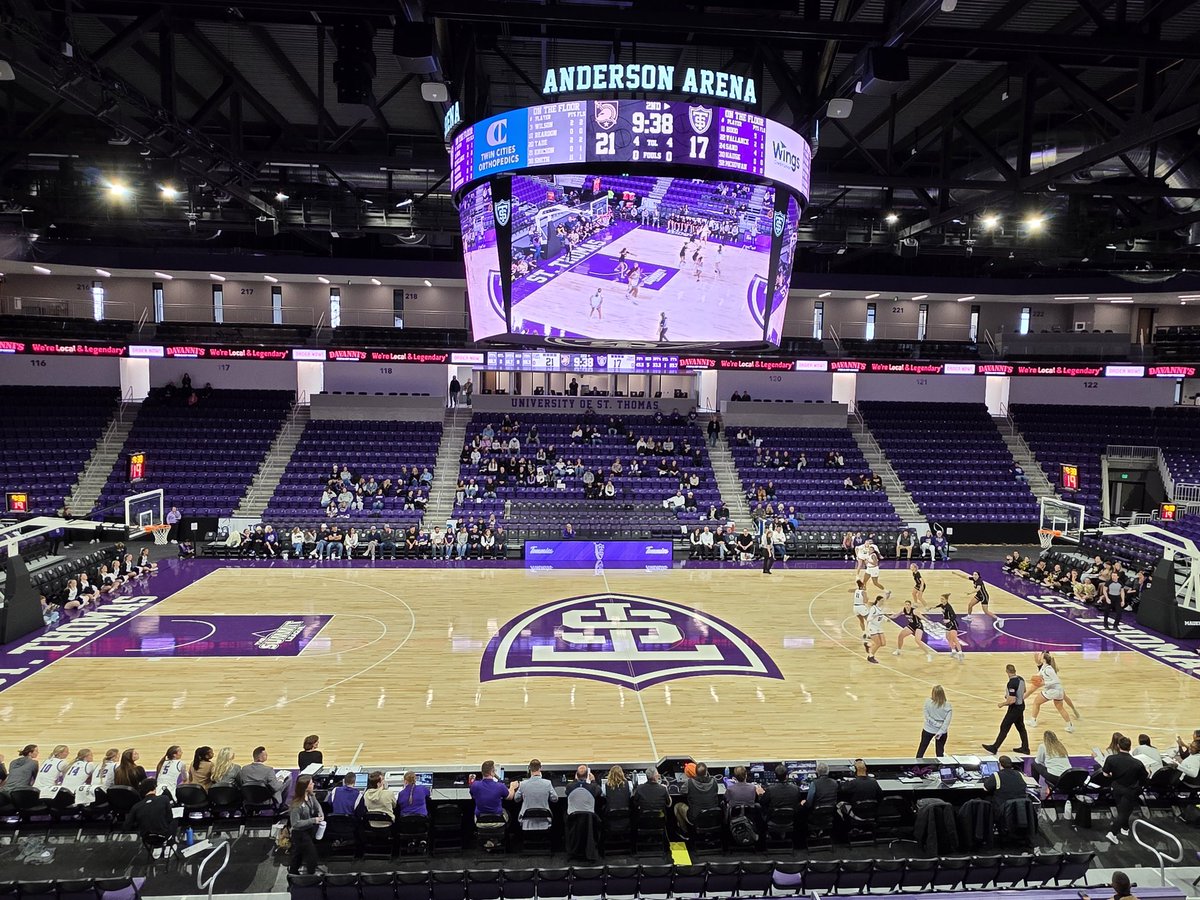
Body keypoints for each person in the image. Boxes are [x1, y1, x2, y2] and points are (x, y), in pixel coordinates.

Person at [1103, 736, 1147, 842]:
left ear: (1118, 746)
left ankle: (1125, 828)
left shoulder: (1111, 759)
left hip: (1116, 788)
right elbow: (1144, 777)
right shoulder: (1137, 763)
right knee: (1125, 812)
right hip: (1130, 790)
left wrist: (1112, 776)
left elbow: (1105, 773)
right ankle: (1113, 833)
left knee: (1122, 808)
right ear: (1130, 747)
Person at [983, 664, 1030, 754]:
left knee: (1004, 726)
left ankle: (995, 747)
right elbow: (1024, 691)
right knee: (1021, 727)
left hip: (1015, 708)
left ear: (1007, 671)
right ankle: (1025, 748)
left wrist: (1002, 704)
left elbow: (1011, 700)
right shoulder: (1021, 678)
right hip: (1021, 705)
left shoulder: (1011, 683)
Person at [1028, 650, 1075, 732]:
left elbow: (1057, 681)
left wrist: (1044, 683)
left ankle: (1033, 721)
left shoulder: (1049, 669)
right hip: (1058, 691)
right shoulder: (1044, 667)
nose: (1040, 657)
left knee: (1036, 702)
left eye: (1042, 656)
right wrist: (1032, 679)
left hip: (1053, 690)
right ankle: (1070, 726)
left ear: (1044, 659)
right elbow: (1039, 674)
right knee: (1060, 708)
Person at [287, 776, 324, 875]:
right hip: (300, 834)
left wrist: (320, 813)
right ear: (305, 787)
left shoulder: (310, 795)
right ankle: (311, 876)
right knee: (312, 856)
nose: (313, 785)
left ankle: (293, 873)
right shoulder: (297, 805)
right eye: (311, 783)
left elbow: (317, 806)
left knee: (298, 855)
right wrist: (313, 820)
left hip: (308, 830)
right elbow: (295, 823)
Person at [674, 762, 719, 833]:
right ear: (707, 772)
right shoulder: (714, 782)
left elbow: (682, 792)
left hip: (695, 818)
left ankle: (684, 832)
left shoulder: (689, 783)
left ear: (696, 772)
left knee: (677, 806)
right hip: (713, 816)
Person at [512, 759, 556, 830]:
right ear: (540, 768)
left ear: (529, 768)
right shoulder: (548, 783)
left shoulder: (523, 784)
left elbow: (516, 799)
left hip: (527, 821)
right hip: (544, 821)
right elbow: (555, 799)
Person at [917, 685, 953, 757]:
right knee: (940, 752)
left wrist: (935, 724)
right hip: (941, 732)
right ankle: (941, 767)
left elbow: (927, 717)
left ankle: (916, 766)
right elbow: (947, 722)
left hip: (928, 729)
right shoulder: (948, 705)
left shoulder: (927, 702)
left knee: (921, 750)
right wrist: (940, 729)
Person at [1032, 731, 1071, 797]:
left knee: (1034, 764)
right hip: (1067, 776)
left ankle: (1035, 787)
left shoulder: (1043, 746)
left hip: (1054, 777)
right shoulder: (1061, 747)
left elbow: (1038, 761)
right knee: (1049, 768)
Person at [935, 593, 967, 660]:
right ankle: (953, 651)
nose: (941, 600)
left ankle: (960, 653)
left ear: (946, 600)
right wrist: (932, 607)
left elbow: (954, 616)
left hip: (952, 623)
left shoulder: (948, 607)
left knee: (954, 638)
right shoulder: (942, 605)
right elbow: (940, 605)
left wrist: (948, 620)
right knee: (948, 637)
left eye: (942, 599)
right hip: (947, 624)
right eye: (941, 599)